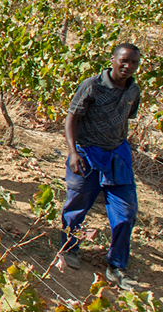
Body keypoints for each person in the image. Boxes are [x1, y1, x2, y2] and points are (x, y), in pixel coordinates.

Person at [59, 44, 141, 290]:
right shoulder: (92, 85)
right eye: (124, 61)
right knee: (78, 204)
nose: (128, 67)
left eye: (134, 63)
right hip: (87, 152)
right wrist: (74, 153)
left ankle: (116, 266)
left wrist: (123, 149)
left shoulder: (133, 90)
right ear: (113, 59)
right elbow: (71, 118)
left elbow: (126, 120)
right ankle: (68, 249)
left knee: (126, 212)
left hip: (117, 154)